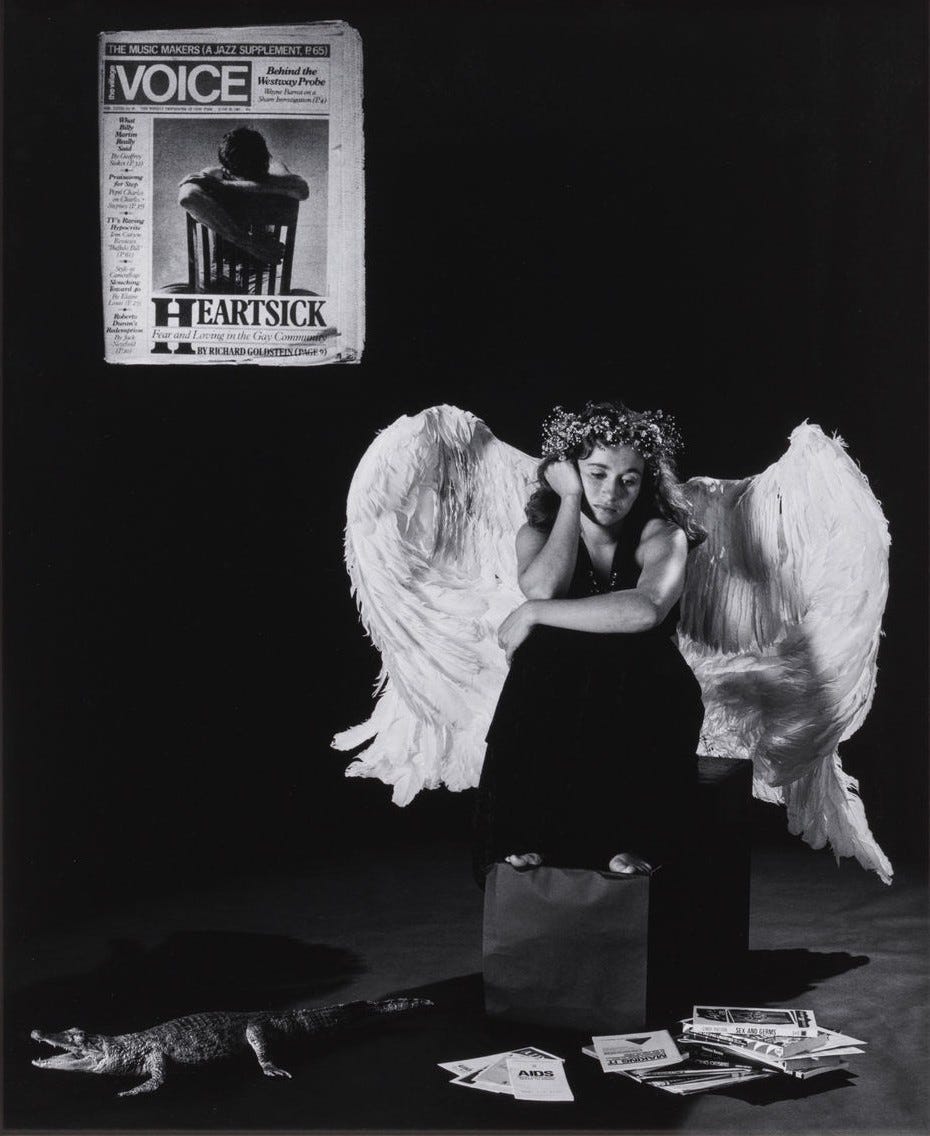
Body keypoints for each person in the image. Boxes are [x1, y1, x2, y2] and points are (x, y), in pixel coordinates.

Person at [473, 399, 706, 881]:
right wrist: (570, 500)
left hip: (646, 692)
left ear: (645, 484)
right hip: (570, 694)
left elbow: (646, 609)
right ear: (570, 472)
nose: (611, 492)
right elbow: (543, 587)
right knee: (542, 656)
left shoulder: (662, 535)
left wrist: (534, 614)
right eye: (596, 474)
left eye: (628, 480)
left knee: (625, 652)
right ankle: (525, 833)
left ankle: (631, 839)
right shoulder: (536, 535)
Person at [178, 126, 309, 266]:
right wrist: (251, 246)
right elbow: (187, 197)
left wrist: (223, 185)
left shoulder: (274, 169)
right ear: (227, 170)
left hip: (261, 270)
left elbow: (302, 190)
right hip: (225, 269)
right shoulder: (214, 174)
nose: (253, 177)